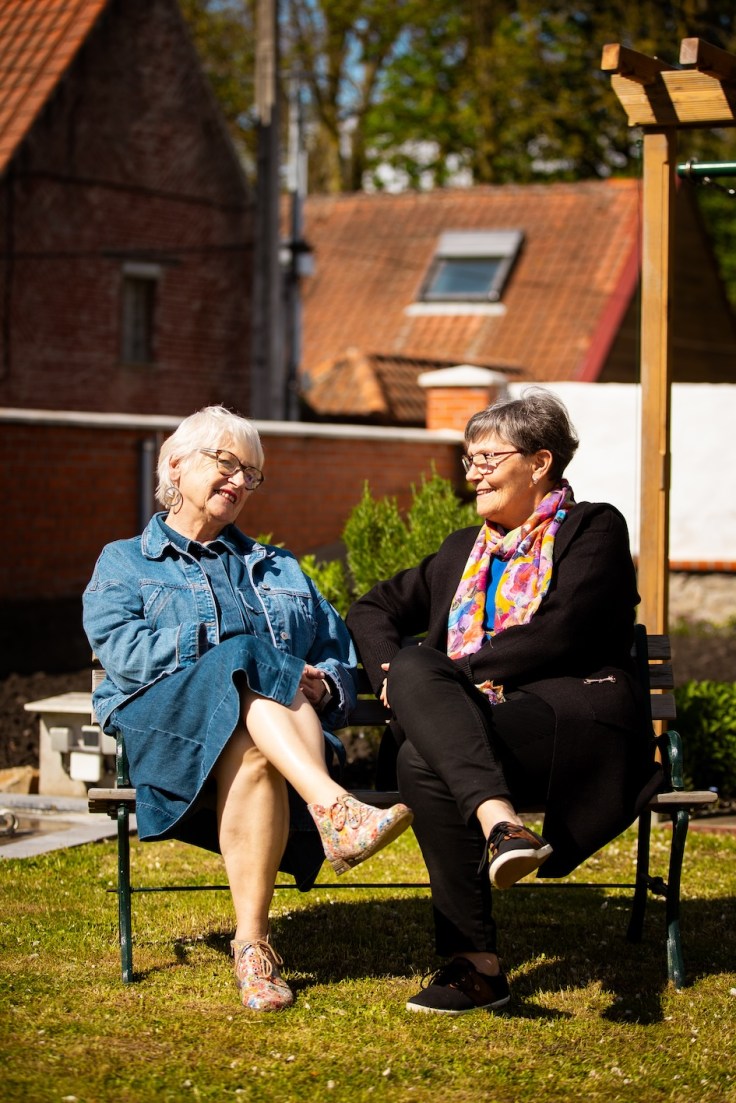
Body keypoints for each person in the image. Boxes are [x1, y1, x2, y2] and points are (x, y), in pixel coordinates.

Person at [83, 405, 412, 1013]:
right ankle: (334, 806)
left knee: (257, 749)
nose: (239, 482)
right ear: (176, 466)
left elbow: (336, 656)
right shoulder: (124, 562)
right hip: (171, 735)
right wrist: (232, 651)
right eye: (227, 464)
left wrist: (322, 688)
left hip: (271, 745)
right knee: (246, 652)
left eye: (251, 474)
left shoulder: (278, 568)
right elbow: (126, 656)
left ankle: (253, 947)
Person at [346, 388, 661, 1016]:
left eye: (489, 458)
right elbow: (372, 608)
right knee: (417, 730)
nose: (473, 472)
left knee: (421, 747)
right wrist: (398, 674)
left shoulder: (593, 528)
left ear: (540, 462)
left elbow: (564, 632)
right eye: (468, 459)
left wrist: (445, 677)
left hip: (567, 720)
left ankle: (476, 964)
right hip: (479, 732)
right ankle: (500, 837)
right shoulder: (464, 547)